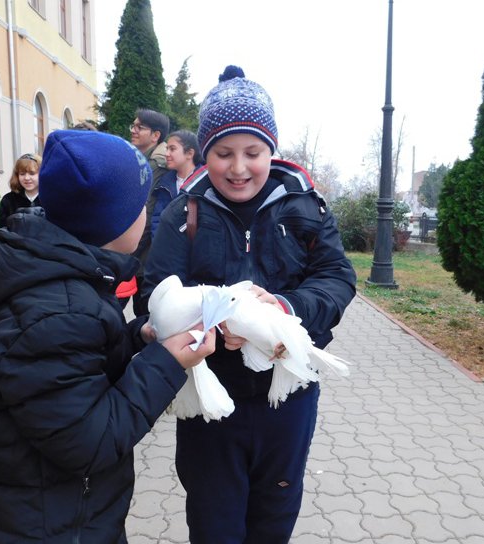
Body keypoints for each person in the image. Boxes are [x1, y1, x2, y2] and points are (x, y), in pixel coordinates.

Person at [0, 129, 214, 542]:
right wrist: (166, 363)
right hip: (51, 525)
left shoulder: (63, 279)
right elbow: (89, 440)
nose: (147, 215)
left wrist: (140, 337)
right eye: (141, 206)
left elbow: (77, 363)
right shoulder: (55, 310)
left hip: (57, 509)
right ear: (111, 223)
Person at [141, 66, 357, 543]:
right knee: (214, 521)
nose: (239, 168)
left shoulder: (305, 206)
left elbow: (337, 279)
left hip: (289, 397)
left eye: (253, 152)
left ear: (271, 150)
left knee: (274, 515)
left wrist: (281, 308)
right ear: (205, 153)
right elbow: (154, 293)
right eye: (224, 153)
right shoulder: (184, 213)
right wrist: (209, 329)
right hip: (211, 401)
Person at [128, 108, 170, 316]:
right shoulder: (145, 158)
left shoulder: (157, 163)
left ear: (156, 135)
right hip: (141, 252)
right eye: (133, 126)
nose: (133, 131)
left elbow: (146, 212)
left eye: (140, 127)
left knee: (145, 314)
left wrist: (128, 252)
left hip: (145, 255)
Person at [150, 130, 202, 239]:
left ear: (189, 153)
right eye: (167, 149)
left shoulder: (205, 181)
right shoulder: (165, 183)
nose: (167, 154)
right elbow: (157, 219)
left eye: (172, 149)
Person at [0, 153, 41, 228]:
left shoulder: (51, 199)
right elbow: (3, 229)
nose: (27, 178)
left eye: (32, 173)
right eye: (22, 174)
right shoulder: (9, 200)